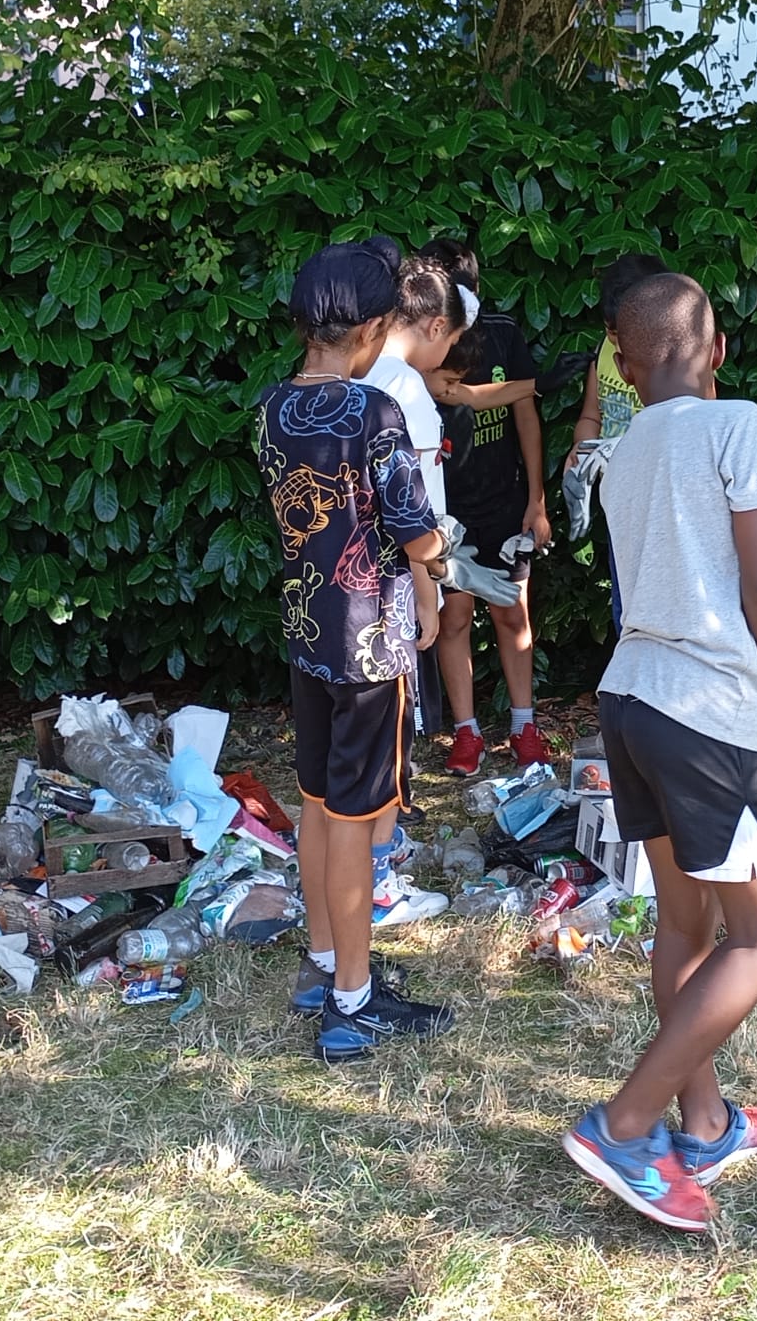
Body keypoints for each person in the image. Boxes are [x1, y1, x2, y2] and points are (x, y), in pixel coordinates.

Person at [561, 271, 757, 1233]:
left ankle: (702, 1120)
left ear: (622, 364)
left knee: (686, 928)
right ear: (717, 348)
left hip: (630, 700)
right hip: (707, 710)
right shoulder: (736, 423)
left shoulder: (618, 451)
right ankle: (626, 1125)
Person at [256, 237, 456, 1062]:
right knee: (354, 817)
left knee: (314, 801)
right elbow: (415, 531)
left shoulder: (270, 406)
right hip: (372, 640)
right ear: (374, 327)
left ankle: (325, 961)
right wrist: (443, 575)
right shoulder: (376, 412)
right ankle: (353, 1000)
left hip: (308, 631)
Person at [354, 253, 471, 923]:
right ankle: (377, 880)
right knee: (391, 731)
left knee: (358, 736)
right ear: (430, 326)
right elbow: (416, 510)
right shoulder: (408, 392)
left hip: (338, 586)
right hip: (394, 583)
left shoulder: (347, 370)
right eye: (451, 340)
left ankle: (377, 853)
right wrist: (429, 595)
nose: (447, 354)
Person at [420, 237, 554, 775]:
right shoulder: (419, 351)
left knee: (512, 612)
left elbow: (525, 410)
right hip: (446, 512)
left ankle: (524, 725)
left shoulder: (503, 335)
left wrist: (537, 499)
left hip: (505, 503)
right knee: (452, 617)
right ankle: (466, 733)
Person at [567, 253, 667, 634]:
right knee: (625, 602)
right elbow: (592, 415)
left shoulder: (673, 363)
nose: (614, 340)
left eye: (621, 330)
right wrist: (582, 450)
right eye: (610, 331)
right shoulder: (604, 352)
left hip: (659, 501)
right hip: (618, 498)